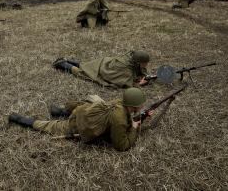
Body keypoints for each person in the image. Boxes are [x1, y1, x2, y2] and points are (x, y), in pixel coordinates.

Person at [8, 88, 151, 151]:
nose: (143, 105)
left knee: (94, 100)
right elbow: (121, 145)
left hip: (83, 111)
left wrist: (140, 117)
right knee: (50, 126)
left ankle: (60, 111)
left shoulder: (120, 102)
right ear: (133, 106)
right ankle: (18, 119)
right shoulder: (119, 119)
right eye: (141, 104)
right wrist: (133, 128)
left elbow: (121, 119)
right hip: (80, 123)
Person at [52, 51, 150, 88]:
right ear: (138, 62)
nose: (146, 65)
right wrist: (138, 84)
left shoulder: (131, 60)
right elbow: (123, 82)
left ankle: (67, 60)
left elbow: (135, 72)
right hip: (104, 71)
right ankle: (63, 64)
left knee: (86, 65)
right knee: (84, 73)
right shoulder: (125, 68)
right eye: (144, 63)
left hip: (105, 63)